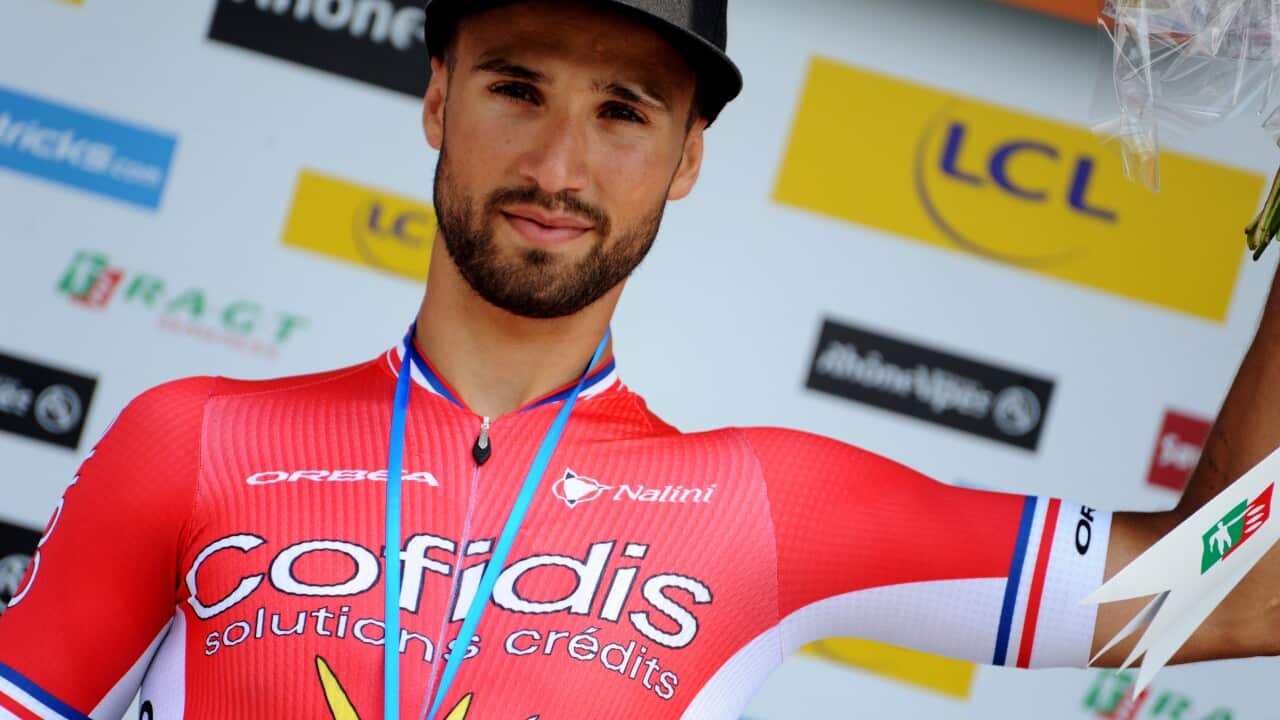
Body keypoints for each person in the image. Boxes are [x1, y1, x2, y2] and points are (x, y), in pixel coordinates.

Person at [2, 1, 1280, 719]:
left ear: (686, 158)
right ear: (438, 99)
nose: (557, 166)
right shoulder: (196, 439)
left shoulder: (768, 507)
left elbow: (1232, 589)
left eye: (623, 111)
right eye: (517, 89)